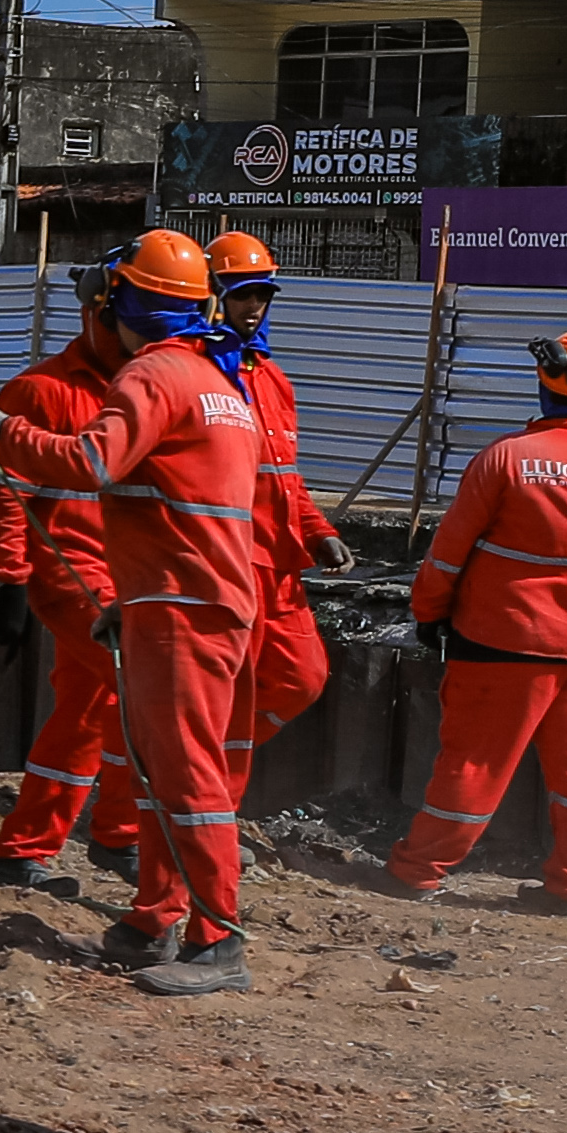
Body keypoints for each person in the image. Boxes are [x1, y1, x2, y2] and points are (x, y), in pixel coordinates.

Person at [0, 227, 264, 995]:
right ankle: (153, 914)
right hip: (184, 596)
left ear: (125, 302)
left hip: (182, 603)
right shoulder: (219, 382)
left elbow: (87, 463)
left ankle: (216, 939)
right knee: (159, 770)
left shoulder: (154, 373)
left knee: (186, 776)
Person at [385, 327, 567, 910]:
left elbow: (449, 551)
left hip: (501, 641)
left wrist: (428, 610)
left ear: (544, 387)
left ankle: (416, 872)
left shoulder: (505, 460)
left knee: (474, 764)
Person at [0, 256, 130, 895]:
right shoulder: (43, 390)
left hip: (125, 573)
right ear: (99, 315)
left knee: (90, 708)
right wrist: (10, 579)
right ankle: (122, 836)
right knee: (136, 686)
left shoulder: (146, 390)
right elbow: (8, 491)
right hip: (71, 571)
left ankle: (25, 851)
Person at [202, 232, 343, 806]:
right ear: (212, 296)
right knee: (230, 698)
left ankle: (193, 769)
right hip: (231, 562)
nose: (254, 306)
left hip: (278, 564)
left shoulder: (270, 376)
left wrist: (318, 530)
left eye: (261, 294)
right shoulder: (200, 373)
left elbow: (284, 474)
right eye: (241, 295)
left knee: (302, 677)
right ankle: (206, 807)